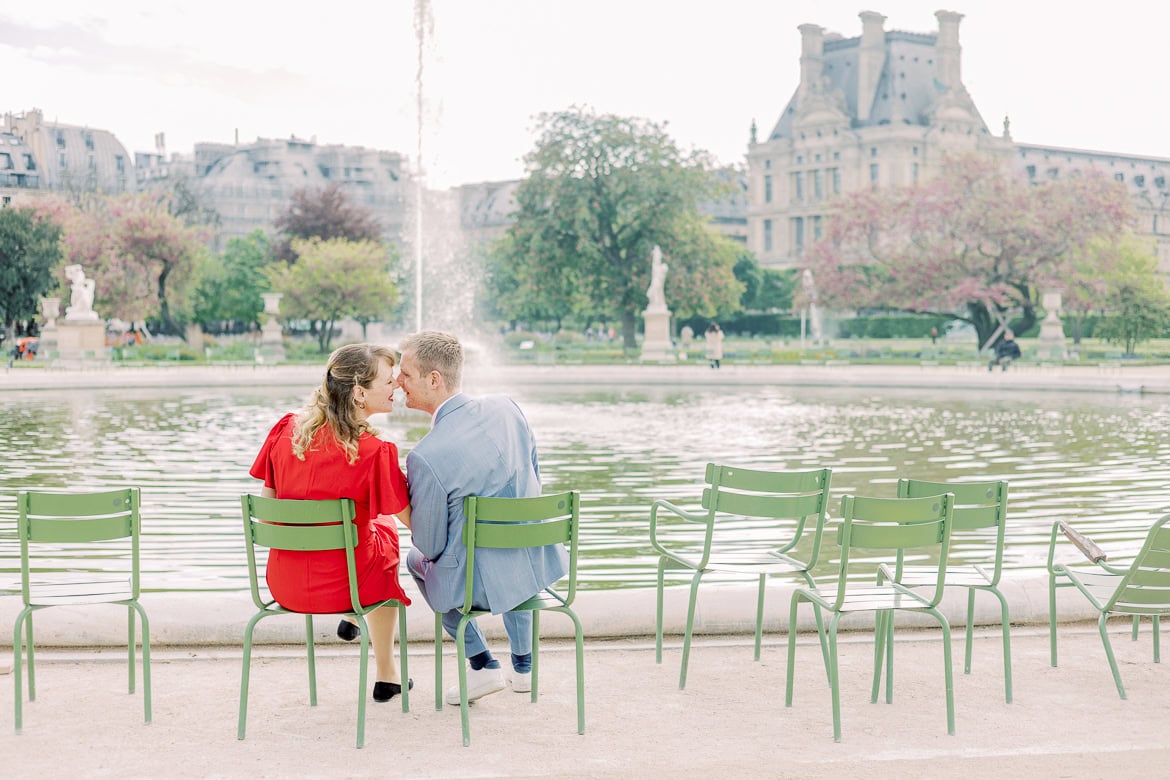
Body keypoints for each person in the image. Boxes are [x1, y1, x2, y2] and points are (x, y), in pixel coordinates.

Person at [397, 330, 567, 704]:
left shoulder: (425, 456)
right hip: (535, 560)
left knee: (416, 560)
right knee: (511, 544)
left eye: (405, 374)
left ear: (434, 379)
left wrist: (399, 506)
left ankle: (481, 663)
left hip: (477, 587)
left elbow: (430, 544)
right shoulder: (508, 408)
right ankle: (524, 667)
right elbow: (534, 478)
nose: (397, 381)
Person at [249, 343, 412, 703]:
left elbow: (266, 511)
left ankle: (355, 624)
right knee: (385, 529)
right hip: (347, 588)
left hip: (284, 584)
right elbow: (412, 520)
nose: (396, 385)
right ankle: (387, 673)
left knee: (371, 526)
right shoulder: (376, 451)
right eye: (388, 380)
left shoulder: (285, 431)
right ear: (359, 392)